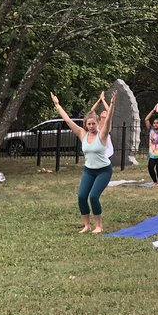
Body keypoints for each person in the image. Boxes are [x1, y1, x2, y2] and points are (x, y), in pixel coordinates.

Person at [51, 91, 115, 234]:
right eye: (89, 124)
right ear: (85, 125)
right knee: (81, 197)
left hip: (104, 170)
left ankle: (99, 225)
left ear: (98, 124)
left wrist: (112, 104)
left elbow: (109, 118)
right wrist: (57, 105)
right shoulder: (82, 134)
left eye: (94, 123)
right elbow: (67, 120)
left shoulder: (102, 135)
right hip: (89, 170)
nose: (91, 126)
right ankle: (86, 225)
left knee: (93, 196)